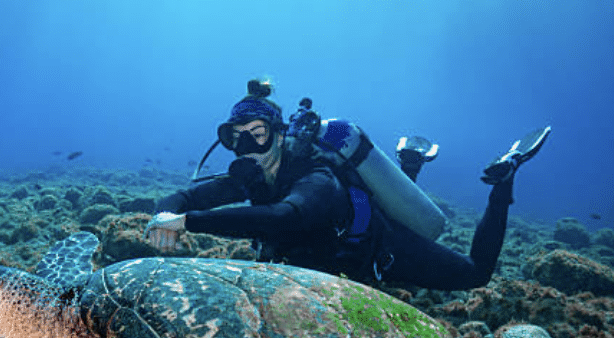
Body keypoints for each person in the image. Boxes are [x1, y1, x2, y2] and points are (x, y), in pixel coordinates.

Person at [144, 79, 550, 291]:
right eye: (237, 136)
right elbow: (185, 197)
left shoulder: (315, 177)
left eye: (258, 133)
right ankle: (409, 162)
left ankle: (506, 178)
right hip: (320, 264)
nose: (247, 146)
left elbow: (284, 218)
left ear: (280, 135)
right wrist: (164, 216)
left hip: (377, 250)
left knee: (474, 275)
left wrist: (188, 224)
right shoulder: (252, 172)